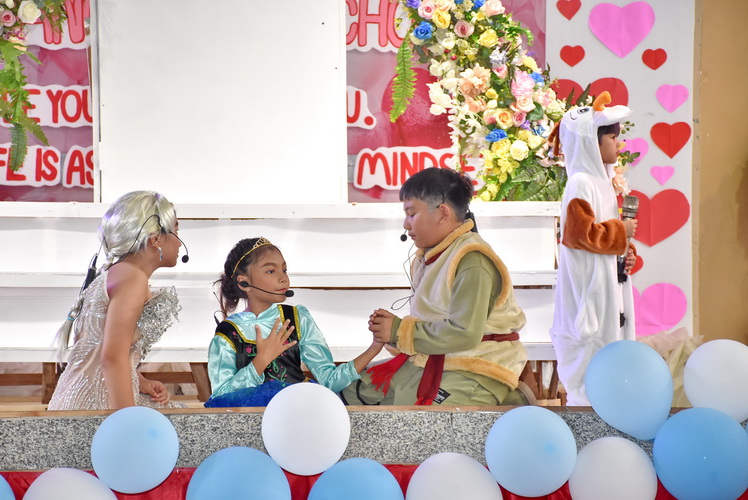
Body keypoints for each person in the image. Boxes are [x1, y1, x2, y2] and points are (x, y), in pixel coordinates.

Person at [341, 167, 531, 406]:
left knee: (423, 423)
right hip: (430, 359)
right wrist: (393, 333)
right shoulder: (430, 257)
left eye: (411, 213)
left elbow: (465, 333)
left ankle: (510, 398)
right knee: (347, 393)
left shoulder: (473, 259)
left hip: (475, 367)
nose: (406, 224)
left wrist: (399, 331)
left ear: (442, 213)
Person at [48, 191, 186, 410]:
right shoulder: (132, 278)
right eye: (176, 231)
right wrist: (127, 420)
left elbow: (98, 347)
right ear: (155, 239)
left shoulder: (118, 273)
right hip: (95, 406)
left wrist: (139, 381)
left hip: (79, 399)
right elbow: (112, 358)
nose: (179, 243)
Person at [206, 237, 384, 406]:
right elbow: (220, 397)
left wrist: (374, 347)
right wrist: (260, 361)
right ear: (244, 283)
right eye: (271, 271)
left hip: (298, 413)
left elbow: (329, 381)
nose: (283, 278)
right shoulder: (228, 333)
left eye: (284, 270)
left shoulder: (297, 318)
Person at [548, 91, 638, 406]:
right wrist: (620, 232)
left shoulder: (602, 182)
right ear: (591, 143)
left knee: (612, 348)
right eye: (612, 138)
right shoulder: (581, 182)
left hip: (606, 283)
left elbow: (602, 235)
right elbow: (580, 234)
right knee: (592, 357)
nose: (618, 144)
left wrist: (624, 251)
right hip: (590, 288)